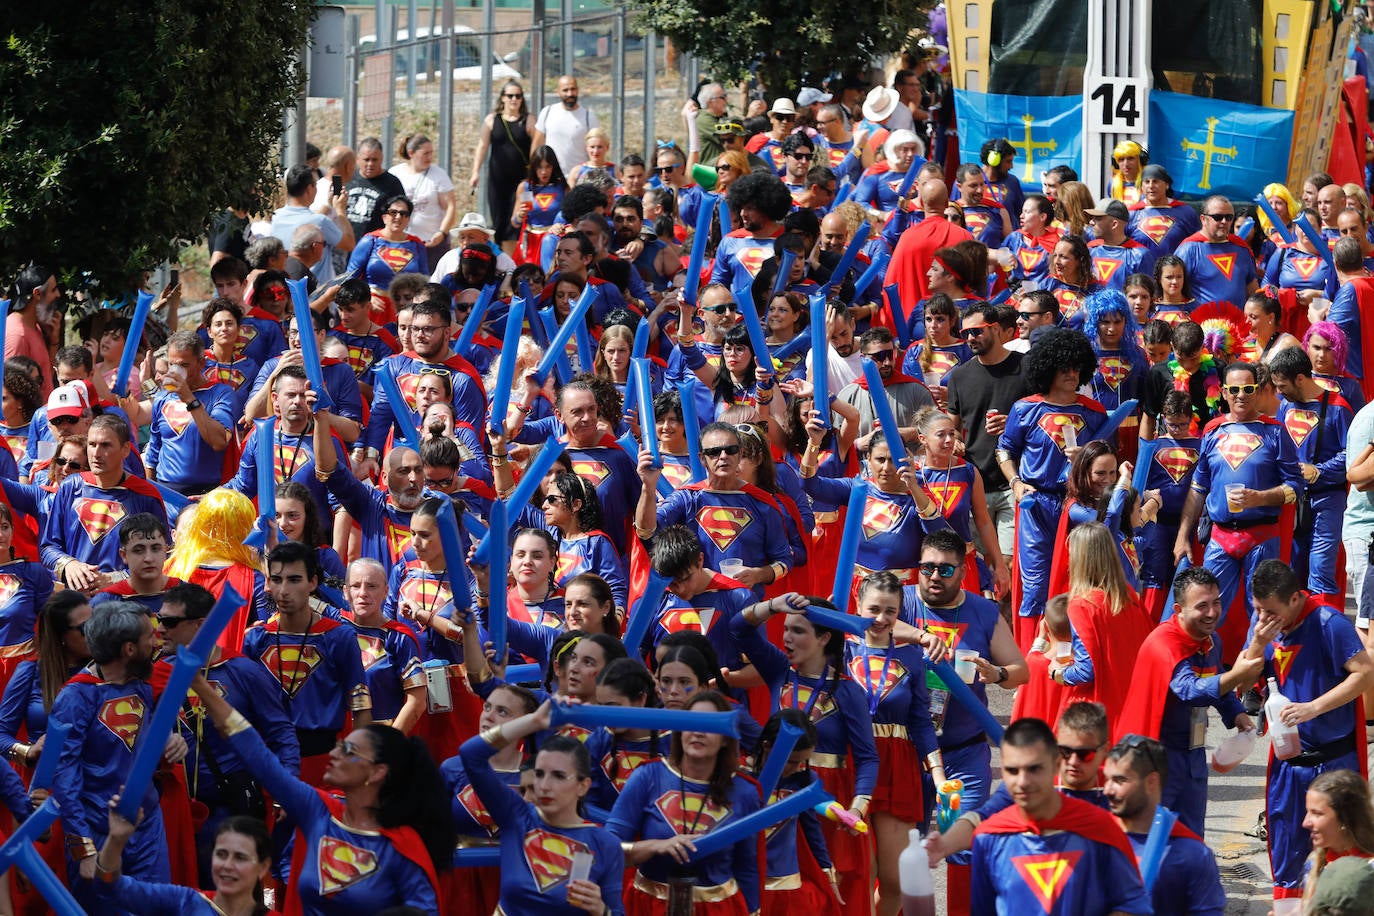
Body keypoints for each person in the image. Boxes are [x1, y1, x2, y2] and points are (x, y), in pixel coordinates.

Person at [189, 666, 451, 911]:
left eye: (348, 750)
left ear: (377, 772)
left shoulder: (402, 846)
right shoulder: (318, 810)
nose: (334, 753)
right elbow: (260, 758)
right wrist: (199, 684)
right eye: (340, 745)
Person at [900, 529, 1027, 911]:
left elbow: (1020, 669)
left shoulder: (983, 611)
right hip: (907, 752)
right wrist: (921, 637)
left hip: (964, 753)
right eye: (927, 568)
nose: (934, 577)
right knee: (900, 855)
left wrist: (997, 674)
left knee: (964, 851)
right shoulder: (901, 601)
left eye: (945, 569)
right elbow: (867, 625)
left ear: (962, 571)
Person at [1239, 559, 1374, 902]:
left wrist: (1314, 707)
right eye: (1258, 610)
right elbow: (1241, 679)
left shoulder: (1329, 623)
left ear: (1295, 599)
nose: (1264, 619)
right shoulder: (1263, 626)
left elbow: (1365, 673)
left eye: (1271, 611)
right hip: (1288, 764)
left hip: (1333, 763)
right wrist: (1256, 645)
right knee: (1287, 858)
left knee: (1341, 857)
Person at [152, 581, 299, 886]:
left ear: (201, 625)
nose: (160, 629)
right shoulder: (155, 674)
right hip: (174, 811)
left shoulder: (243, 671)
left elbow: (281, 732)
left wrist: (287, 791)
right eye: (158, 620)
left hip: (229, 809)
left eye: (169, 622)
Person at [51, 601, 181, 912]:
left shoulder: (143, 682)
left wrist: (172, 742)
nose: (157, 641)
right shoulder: (76, 697)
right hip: (97, 833)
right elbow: (64, 775)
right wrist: (83, 848)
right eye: (149, 636)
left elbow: (137, 742)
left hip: (148, 827)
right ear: (129, 650)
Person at [1173, 361, 1305, 663]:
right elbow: (1198, 489)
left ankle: (1256, 684)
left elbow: (1295, 487)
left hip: (1262, 535)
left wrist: (1260, 498)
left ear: (1257, 391)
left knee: (1263, 612)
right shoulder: (1212, 431)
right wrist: (1182, 537)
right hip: (1221, 536)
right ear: (1223, 392)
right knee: (1203, 607)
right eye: (1235, 390)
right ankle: (1197, 676)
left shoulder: (1275, 432)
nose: (1242, 395)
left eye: (1248, 389)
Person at [1117, 566, 1259, 835]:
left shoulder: (1210, 639)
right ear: (1178, 610)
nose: (1212, 612)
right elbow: (1189, 690)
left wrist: (1237, 713)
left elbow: (1217, 682)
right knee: (1151, 837)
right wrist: (1239, 674)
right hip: (1155, 757)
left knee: (1192, 836)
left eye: (1216, 602)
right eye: (1202, 606)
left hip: (1192, 753)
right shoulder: (1163, 642)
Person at [459, 698, 626, 914]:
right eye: (539, 774)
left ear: (583, 786)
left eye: (558, 776)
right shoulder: (516, 816)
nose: (544, 786)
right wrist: (534, 720)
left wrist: (601, 911)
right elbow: (470, 754)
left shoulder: (605, 844)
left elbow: (617, 911)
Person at [970, 717, 1150, 914]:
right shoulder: (987, 839)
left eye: (1034, 769)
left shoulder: (1101, 830)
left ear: (1056, 764)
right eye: (1012, 771)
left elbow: (1132, 904)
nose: (1023, 781)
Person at [997, 328, 1105, 649]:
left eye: (1076, 367)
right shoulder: (1024, 409)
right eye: (1064, 367)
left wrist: (1087, 460)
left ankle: (1072, 653)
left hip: (1078, 506)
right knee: (1034, 585)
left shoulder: (1094, 413)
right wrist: (1015, 483)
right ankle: (1032, 658)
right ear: (1048, 368)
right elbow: (1004, 449)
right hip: (1035, 504)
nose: (1072, 374)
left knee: (1076, 582)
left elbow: (1108, 463)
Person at [848, 571, 942, 916]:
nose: (880, 618)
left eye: (890, 611)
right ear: (857, 604)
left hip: (898, 768)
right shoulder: (840, 651)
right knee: (860, 873)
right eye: (873, 608)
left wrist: (940, 776)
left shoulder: (912, 659)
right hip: (854, 765)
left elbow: (921, 722)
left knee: (895, 880)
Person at [243, 542, 370, 786]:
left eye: (294, 580)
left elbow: (361, 706)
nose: (284, 590)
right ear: (267, 584)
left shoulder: (339, 637)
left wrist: (355, 764)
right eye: (277, 580)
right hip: (269, 760)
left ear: (312, 583)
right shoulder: (256, 640)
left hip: (323, 763)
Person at [1100, 736, 1228, 916]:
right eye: (1107, 779)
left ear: (1151, 782)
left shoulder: (1192, 856)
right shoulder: (1092, 842)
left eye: (1120, 780)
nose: (1107, 790)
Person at [40, 414, 167, 592]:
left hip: (124, 603)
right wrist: (69, 564)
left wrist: (116, 578)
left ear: (125, 450)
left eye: (106, 445)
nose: (96, 453)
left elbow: (164, 556)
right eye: (92, 445)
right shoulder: (70, 487)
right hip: (75, 600)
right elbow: (48, 547)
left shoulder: (145, 496)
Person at [1270, 346, 1353, 604]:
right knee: (1291, 573)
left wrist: (1319, 471)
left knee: (1321, 573)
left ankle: (1325, 635)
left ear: (1300, 379)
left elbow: (1352, 453)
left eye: (1282, 385)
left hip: (1328, 500)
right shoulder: (1285, 406)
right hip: (1293, 502)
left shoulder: (1339, 407)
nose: (1278, 392)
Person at [93, 812, 274, 916]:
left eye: (240, 858)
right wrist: (116, 840)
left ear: (263, 867)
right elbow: (110, 888)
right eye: (221, 854)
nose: (227, 865)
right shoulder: (185, 902)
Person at [470, 80, 535, 253]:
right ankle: (503, 259)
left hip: (522, 182)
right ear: (502, 98)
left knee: (517, 221)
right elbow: (482, 146)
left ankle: (513, 259)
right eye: (510, 95)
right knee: (499, 221)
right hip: (498, 181)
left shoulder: (528, 120)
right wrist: (475, 172)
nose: (514, 99)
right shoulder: (492, 120)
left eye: (518, 96)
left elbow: (536, 150)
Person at [270, 164, 354, 287]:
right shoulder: (320, 222)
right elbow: (349, 244)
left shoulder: (276, 216)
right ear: (310, 188)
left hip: (285, 287)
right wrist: (340, 210)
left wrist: (328, 205)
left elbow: (305, 218)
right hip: (316, 291)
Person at [1300, 770, 1374, 902]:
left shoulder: (1368, 873)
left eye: (1317, 813)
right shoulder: (1314, 864)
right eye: (1307, 812)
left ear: (1345, 818)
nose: (1305, 823)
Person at [1173, 195, 1259, 309]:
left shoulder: (1242, 249)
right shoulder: (1188, 250)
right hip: (1200, 324)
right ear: (1203, 219)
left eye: (1229, 217)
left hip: (1237, 324)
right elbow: (1172, 291)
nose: (1224, 221)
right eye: (1218, 217)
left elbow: (1252, 290)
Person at [389, 134, 457, 264]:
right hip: (402, 242)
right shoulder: (396, 173)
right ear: (411, 153)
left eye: (431, 153)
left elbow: (450, 207)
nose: (430, 157)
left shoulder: (439, 175)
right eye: (425, 153)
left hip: (430, 242)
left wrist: (442, 233)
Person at [346, 194, 429, 297]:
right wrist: (365, 297)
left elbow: (424, 282)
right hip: (373, 305)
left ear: (408, 219)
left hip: (405, 306)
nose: (398, 217)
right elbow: (349, 278)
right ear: (384, 217)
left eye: (403, 214)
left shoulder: (416, 245)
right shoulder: (370, 241)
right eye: (393, 212)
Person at [346, 136, 407, 241]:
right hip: (347, 244)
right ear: (358, 159)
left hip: (377, 245)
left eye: (375, 160)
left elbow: (401, 215)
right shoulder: (346, 177)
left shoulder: (393, 183)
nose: (370, 164)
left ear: (382, 158)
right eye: (366, 160)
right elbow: (334, 205)